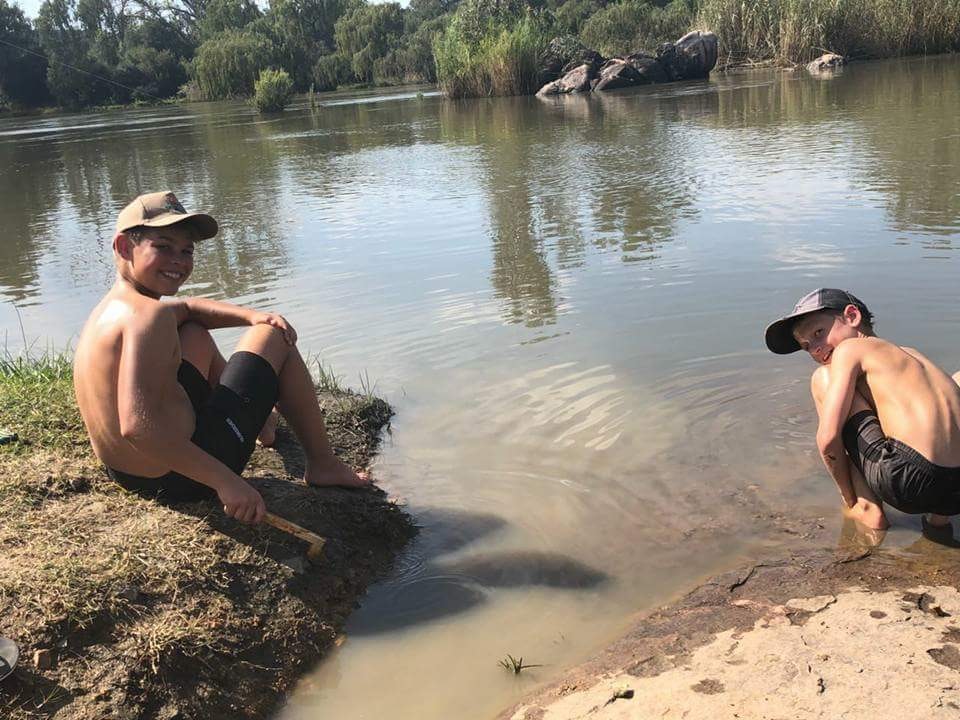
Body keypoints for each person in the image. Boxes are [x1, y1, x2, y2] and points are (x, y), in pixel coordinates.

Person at [73, 190, 369, 525]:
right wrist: (226, 482)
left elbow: (188, 309)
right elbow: (138, 428)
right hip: (179, 476)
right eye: (163, 247)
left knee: (194, 333)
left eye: (186, 251)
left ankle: (262, 425)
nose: (178, 260)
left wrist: (252, 316)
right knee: (275, 336)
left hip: (128, 472)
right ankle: (323, 465)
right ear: (124, 247)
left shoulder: (116, 308)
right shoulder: (148, 318)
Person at [765, 288, 960, 537]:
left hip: (908, 480)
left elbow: (828, 440)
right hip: (955, 495)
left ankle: (867, 508)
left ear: (852, 316)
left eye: (818, 333)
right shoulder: (911, 354)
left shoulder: (850, 349)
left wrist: (848, 498)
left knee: (823, 378)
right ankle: (938, 522)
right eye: (806, 346)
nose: (815, 349)